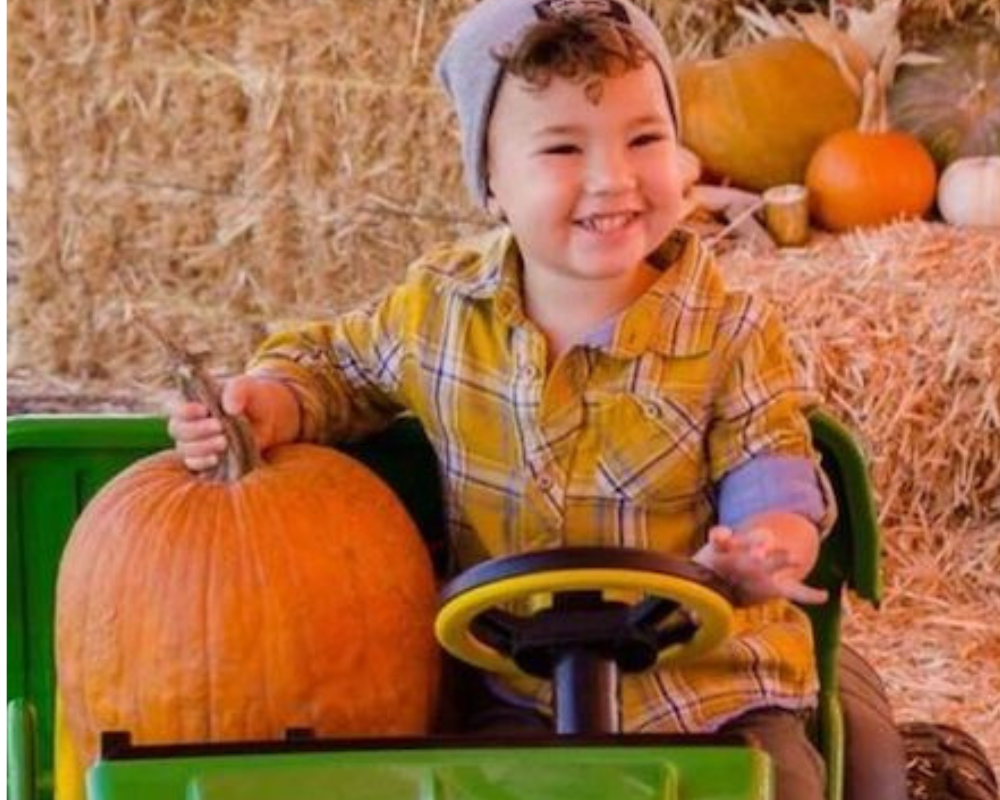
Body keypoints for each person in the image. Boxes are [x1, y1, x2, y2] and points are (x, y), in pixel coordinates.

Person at [167, 2, 903, 798]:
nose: (612, 178)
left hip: (711, 691)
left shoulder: (729, 330)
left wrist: (767, 542)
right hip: (513, 694)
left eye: (645, 138)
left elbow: (772, 457)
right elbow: (335, 366)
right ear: (490, 182)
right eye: (561, 147)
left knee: (776, 786)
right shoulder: (439, 311)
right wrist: (272, 404)